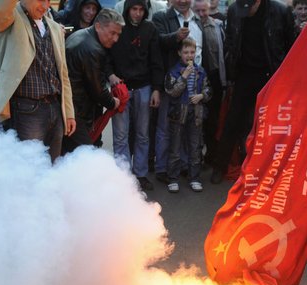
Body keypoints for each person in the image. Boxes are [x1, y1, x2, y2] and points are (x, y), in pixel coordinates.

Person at [210, 0, 296, 184]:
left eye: (250, 8)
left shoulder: (280, 11)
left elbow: (291, 45)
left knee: (271, 125)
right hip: (243, 75)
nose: (246, 12)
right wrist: (232, 68)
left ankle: (271, 170)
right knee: (232, 122)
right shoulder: (234, 10)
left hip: (271, 76)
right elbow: (231, 41)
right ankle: (220, 166)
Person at [0, 0, 77, 162]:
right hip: (27, 109)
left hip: (55, 108)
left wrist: (69, 113)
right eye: (40, 0)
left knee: (53, 167)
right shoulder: (9, 18)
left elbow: (63, 74)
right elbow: (0, 10)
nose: (45, 5)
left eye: (48, 0)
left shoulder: (55, 27)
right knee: (29, 170)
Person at [108, 0, 164, 191]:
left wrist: (157, 88)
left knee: (143, 134)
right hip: (121, 86)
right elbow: (106, 53)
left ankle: (140, 174)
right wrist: (110, 75)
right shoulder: (118, 28)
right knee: (121, 135)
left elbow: (157, 60)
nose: (138, 13)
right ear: (127, 9)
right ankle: (122, 176)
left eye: (141, 9)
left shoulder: (150, 29)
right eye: (134, 9)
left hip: (144, 86)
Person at [152, 0, 205, 184]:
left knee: (188, 131)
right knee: (166, 129)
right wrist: (175, 36)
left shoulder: (198, 19)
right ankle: (162, 168)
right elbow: (157, 43)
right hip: (172, 83)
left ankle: (182, 166)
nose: (183, 0)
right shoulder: (161, 17)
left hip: (195, 86)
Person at [64, 9, 123, 153]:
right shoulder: (92, 49)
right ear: (98, 26)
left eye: (118, 34)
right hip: (76, 111)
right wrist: (113, 102)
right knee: (85, 156)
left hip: (71, 108)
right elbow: (97, 89)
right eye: (112, 33)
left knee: (68, 156)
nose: (115, 39)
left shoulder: (81, 35)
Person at [165, 37, 212, 193]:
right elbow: (172, 91)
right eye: (186, 52)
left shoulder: (200, 70)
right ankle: (173, 178)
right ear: (179, 53)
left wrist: (202, 96)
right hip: (178, 114)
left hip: (196, 113)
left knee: (195, 147)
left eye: (192, 52)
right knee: (175, 147)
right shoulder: (174, 71)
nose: (189, 55)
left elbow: (208, 90)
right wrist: (184, 76)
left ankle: (195, 178)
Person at [192, 0, 226, 167]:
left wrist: (224, 79)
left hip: (214, 79)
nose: (201, 14)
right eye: (198, 11)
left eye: (204, 10)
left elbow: (223, 54)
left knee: (213, 121)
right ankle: (195, 158)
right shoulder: (190, 27)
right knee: (196, 121)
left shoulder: (218, 26)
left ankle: (211, 156)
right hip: (195, 80)